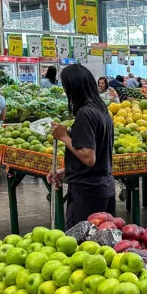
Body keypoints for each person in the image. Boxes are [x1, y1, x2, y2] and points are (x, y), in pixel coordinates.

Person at [47, 64, 116, 227]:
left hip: (87, 191)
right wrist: (66, 171)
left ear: (73, 88)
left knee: (80, 246)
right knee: (102, 246)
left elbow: (88, 157)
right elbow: (97, 155)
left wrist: (64, 136)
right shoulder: (101, 110)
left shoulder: (85, 114)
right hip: (103, 186)